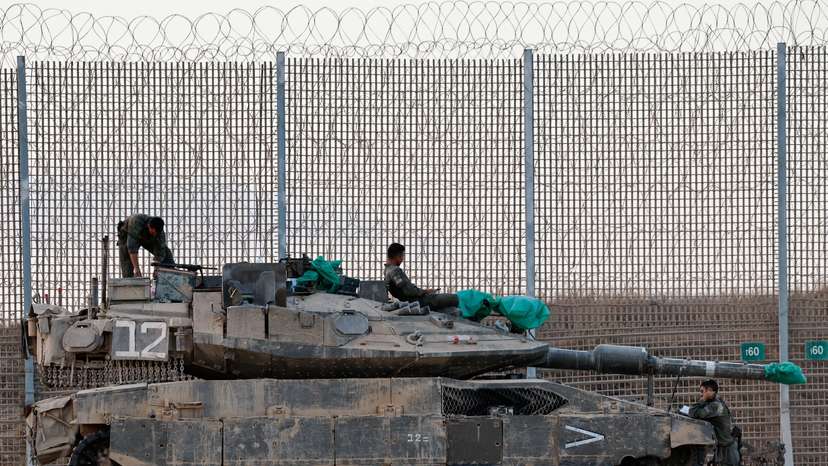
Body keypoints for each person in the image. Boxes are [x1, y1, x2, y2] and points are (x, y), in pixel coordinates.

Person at [384, 243, 459, 311]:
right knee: (455, 298)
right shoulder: (395, 271)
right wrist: (425, 291)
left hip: (413, 300)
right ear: (398, 256)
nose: (402, 259)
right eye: (402, 256)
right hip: (417, 301)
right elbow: (409, 291)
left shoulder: (387, 270)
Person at [683, 379, 740, 466]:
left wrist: (703, 399)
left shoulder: (715, 406)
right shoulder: (716, 402)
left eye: (703, 391)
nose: (701, 394)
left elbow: (693, 413)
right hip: (724, 447)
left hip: (728, 451)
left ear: (709, 390)